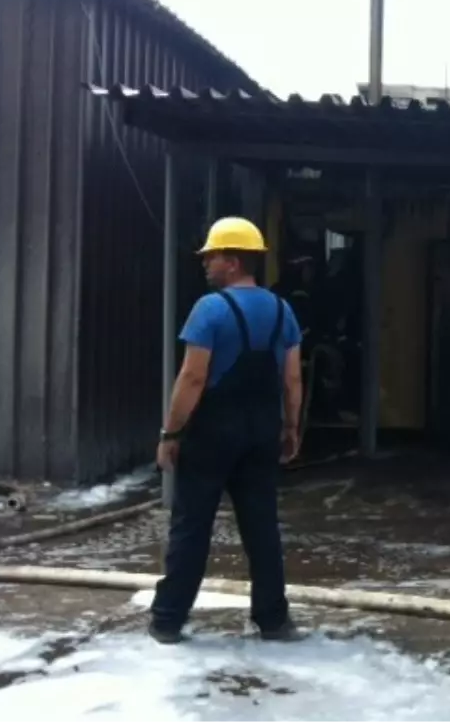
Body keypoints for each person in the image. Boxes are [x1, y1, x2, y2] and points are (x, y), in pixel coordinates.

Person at [150, 216, 304, 644]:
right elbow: (292, 379)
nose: (205, 264)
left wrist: (171, 433)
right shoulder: (282, 309)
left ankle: (167, 620)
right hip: (260, 431)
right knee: (262, 528)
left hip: (213, 432)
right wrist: (290, 426)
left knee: (192, 525)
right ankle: (273, 620)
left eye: (212, 256)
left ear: (233, 262)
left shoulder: (210, 309)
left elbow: (192, 378)